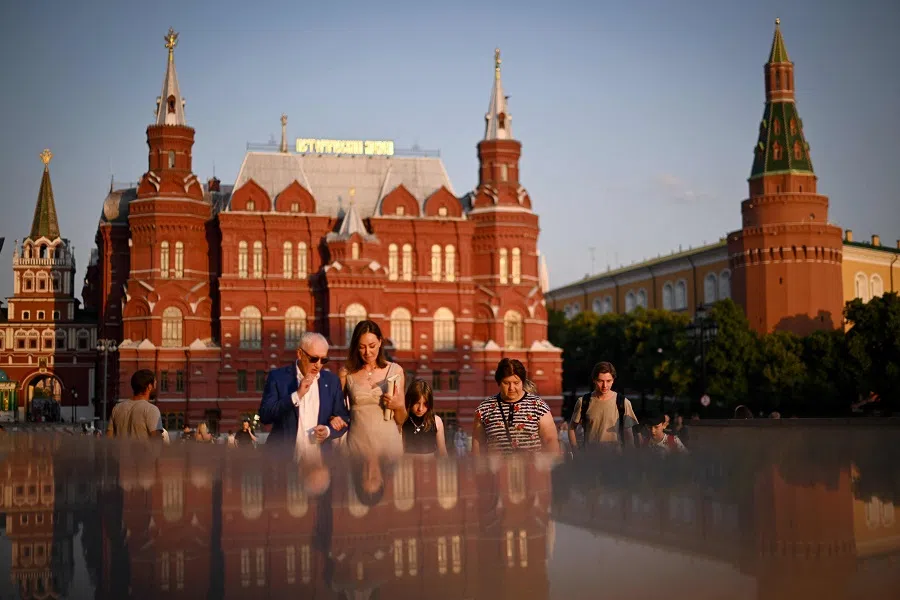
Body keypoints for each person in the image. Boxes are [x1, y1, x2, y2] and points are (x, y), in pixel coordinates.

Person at [330, 319, 406, 506]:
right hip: (358, 444)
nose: (367, 352)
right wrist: (334, 418)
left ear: (380, 342)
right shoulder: (346, 373)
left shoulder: (395, 370)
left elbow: (402, 419)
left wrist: (398, 405)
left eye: (372, 346)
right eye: (362, 347)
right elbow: (335, 411)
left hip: (388, 443)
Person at [258, 331, 350, 460]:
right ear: (300, 354)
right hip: (284, 463)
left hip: (319, 464)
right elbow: (265, 416)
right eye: (314, 359)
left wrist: (328, 431)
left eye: (323, 360)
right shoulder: (278, 377)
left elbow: (344, 419)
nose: (318, 364)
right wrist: (296, 395)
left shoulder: (332, 381)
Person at [472, 358, 560, 455]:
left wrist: (551, 466)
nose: (511, 388)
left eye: (516, 383)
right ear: (498, 383)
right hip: (497, 468)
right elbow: (478, 445)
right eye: (506, 383)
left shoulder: (538, 406)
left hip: (532, 468)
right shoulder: (485, 408)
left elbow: (550, 440)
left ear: (522, 382)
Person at [568, 361, 639, 451]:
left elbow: (629, 435)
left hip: (616, 458)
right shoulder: (583, 402)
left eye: (608, 381)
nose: (605, 385)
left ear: (613, 380)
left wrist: (631, 458)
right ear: (594, 380)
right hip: (590, 458)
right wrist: (576, 451)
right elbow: (571, 428)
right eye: (600, 381)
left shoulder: (623, 402)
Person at [107, 369, 164, 440]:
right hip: (141, 451)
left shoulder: (117, 408)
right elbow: (157, 443)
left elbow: (109, 438)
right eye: (155, 384)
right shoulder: (151, 410)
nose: (156, 388)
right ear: (149, 386)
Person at [402, 379, 448, 456]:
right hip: (408, 466)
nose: (420, 408)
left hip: (429, 466)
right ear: (409, 401)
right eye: (417, 403)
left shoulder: (436, 421)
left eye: (425, 404)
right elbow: (399, 451)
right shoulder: (403, 420)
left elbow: (443, 452)